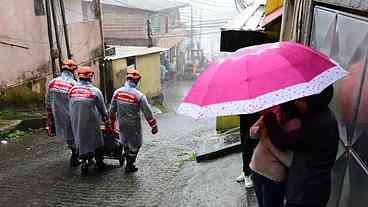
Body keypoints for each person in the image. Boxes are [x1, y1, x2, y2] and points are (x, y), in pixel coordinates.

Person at [265, 86, 339, 207]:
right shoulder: (323, 114)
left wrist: (269, 117)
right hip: (318, 188)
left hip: (305, 193)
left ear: (313, 101)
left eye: (302, 100)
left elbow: (283, 142)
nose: (297, 102)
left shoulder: (316, 126)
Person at [109, 68, 158, 173]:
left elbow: (112, 110)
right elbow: (148, 112)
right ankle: (130, 164)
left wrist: (111, 123)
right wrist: (153, 126)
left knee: (125, 142)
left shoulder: (117, 93)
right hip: (134, 126)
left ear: (127, 80)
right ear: (136, 81)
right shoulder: (139, 96)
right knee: (136, 145)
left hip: (121, 123)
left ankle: (127, 159)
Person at [249, 106, 294, 207]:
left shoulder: (295, 123)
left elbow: (289, 160)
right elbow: (251, 133)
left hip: (273, 177)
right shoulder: (272, 113)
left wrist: (266, 140)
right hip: (256, 168)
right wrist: (258, 130)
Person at [69, 66, 109, 175]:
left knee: (81, 140)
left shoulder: (72, 90)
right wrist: (106, 120)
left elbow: (71, 105)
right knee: (97, 141)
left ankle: (84, 161)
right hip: (91, 122)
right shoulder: (95, 91)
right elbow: (103, 109)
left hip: (76, 121)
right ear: (90, 77)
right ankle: (99, 162)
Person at [46, 59, 80, 167]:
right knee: (74, 135)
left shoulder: (53, 82)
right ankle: (76, 155)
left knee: (68, 136)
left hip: (57, 115)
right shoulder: (73, 84)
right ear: (73, 71)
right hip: (71, 114)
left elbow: (48, 100)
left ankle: (75, 153)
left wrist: (50, 113)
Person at [236, 114, 259, 189]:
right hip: (244, 118)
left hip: (254, 117)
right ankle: (246, 171)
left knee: (248, 146)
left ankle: (247, 172)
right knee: (245, 147)